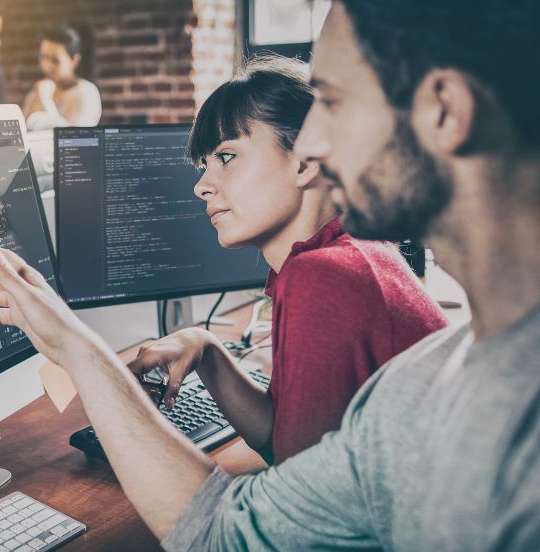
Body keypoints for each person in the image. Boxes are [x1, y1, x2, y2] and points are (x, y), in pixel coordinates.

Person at [0, 0, 540, 549]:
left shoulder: (335, 283)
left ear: (446, 111)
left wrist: (80, 350)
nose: (313, 140)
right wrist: (207, 349)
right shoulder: (427, 376)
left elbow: (229, 534)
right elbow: (264, 495)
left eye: (332, 101)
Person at [131, 56, 446, 465]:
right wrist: (206, 349)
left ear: (306, 160)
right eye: (202, 165)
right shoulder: (349, 252)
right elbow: (280, 441)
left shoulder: (323, 276)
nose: (201, 187)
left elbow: (294, 489)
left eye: (226, 157)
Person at [22, 24, 102, 129]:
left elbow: (74, 138)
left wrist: (45, 98)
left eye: (55, 60)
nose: (47, 67)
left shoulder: (87, 92)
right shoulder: (40, 89)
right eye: (44, 57)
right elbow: (22, 130)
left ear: (74, 61)